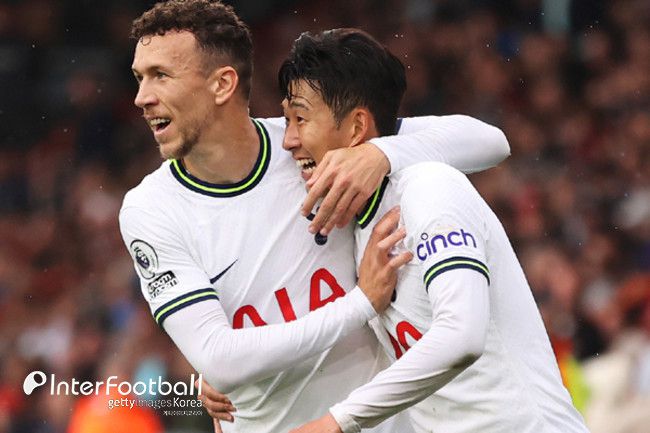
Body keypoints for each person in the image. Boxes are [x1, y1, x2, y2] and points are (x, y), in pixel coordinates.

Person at [119, 1, 510, 432]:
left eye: (161, 75)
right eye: (140, 78)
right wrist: (360, 304)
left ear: (222, 84)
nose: (142, 97)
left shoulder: (310, 145)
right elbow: (221, 360)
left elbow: (490, 142)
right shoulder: (150, 209)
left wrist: (380, 154)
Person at [273, 29, 590, 433]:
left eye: (300, 119)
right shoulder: (356, 223)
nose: (288, 140)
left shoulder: (430, 189)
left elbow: (461, 336)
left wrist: (338, 421)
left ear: (356, 129)